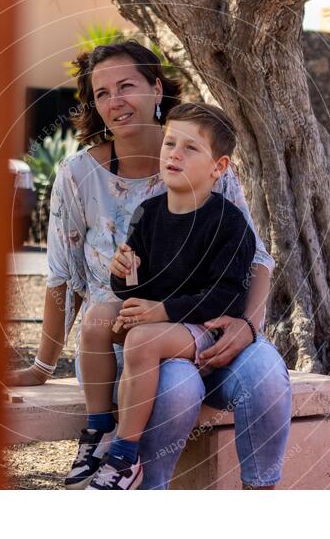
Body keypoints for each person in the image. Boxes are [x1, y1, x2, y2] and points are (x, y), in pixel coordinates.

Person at [7, 40, 292, 490]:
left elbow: (256, 258)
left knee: (267, 373)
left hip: (210, 326)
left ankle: (261, 495)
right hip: (121, 339)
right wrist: (43, 365)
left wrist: (248, 327)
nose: (115, 101)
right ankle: (140, 484)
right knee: (176, 386)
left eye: (127, 86)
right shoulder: (77, 176)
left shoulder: (204, 162)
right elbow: (64, 280)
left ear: (156, 89)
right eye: (102, 93)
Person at [67, 102, 256, 490]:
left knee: (140, 338)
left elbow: (228, 297)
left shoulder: (228, 222)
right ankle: (99, 430)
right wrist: (124, 276)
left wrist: (161, 311)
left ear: (218, 167)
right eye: (170, 142)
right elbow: (137, 287)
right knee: (98, 319)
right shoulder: (148, 213)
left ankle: (125, 456)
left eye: (190, 148)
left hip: (202, 326)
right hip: (161, 317)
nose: (174, 153)